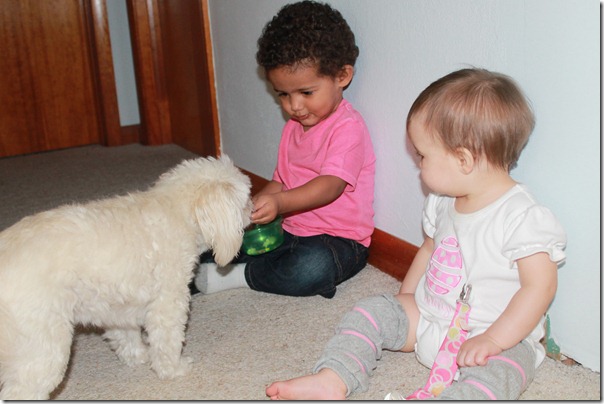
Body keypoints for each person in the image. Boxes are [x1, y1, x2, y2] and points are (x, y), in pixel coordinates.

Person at [265, 68, 567, 400]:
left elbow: (539, 287)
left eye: (423, 156)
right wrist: (405, 297)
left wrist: (494, 339)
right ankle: (333, 376)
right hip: (429, 316)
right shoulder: (442, 202)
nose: (418, 163)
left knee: (500, 375)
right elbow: (428, 249)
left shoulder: (522, 216)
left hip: (496, 336)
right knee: (371, 311)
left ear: (463, 160)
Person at [192, 0, 375, 299]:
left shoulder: (347, 127)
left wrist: (280, 203)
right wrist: (259, 204)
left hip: (337, 240)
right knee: (226, 243)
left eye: (306, 92)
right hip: (288, 229)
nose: (294, 106)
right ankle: (180, 275)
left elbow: (331, 186)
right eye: (283, 95)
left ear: (342, 76)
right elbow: (282, 180)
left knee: (311, 268)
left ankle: (243, 276)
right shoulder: (293, 127)